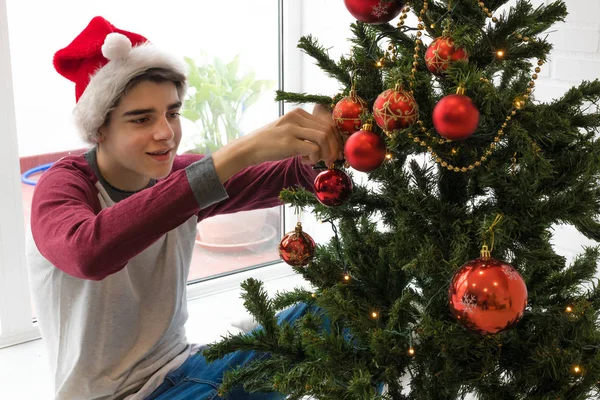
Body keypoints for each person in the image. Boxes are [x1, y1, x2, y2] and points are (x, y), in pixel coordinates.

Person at [27, 16, 342, 400]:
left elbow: (292, 177)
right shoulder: (61, 187)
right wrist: (240, 151)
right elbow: (90, 253)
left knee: (348, 311)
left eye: (172, 113)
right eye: (142, 119)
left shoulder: (177, 178)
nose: (166, 132)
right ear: (99, 129)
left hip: (186, 370)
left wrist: (330, 134)